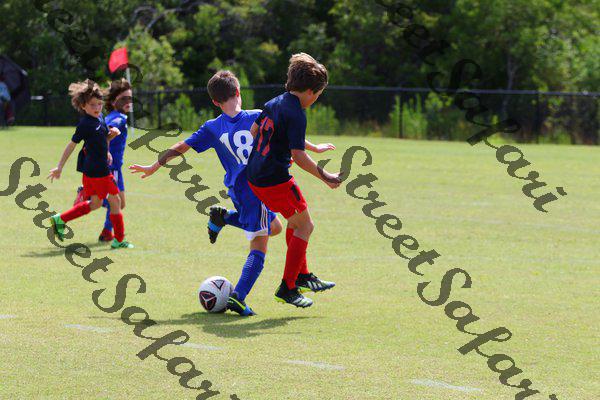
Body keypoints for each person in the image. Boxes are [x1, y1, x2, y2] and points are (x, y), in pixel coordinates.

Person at [129, 70, 335, 315]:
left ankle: (224, 217)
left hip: (238, 189)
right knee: (260, 244)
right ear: (238, 91)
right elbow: (286, 134)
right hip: (259, 185)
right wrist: (314, 147)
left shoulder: (212, 127)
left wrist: (154, 165)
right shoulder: (256, 115)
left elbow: (181, 146)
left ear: (215, 102)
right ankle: (238, 297)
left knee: (276, 227)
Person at [246, 53, 342, 308]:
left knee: (296, 221)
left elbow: (255, 131)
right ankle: (288, 288)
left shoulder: (275, 102)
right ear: (310, 91)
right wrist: (326, 177)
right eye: (318, 95)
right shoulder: (297, 113)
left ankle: (302, 275)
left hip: (255, 175)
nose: (317, 99)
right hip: (274, 179)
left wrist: (313, 147)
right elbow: (298, 156)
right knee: (305, 226)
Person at [47, 79, 133, 249]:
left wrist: (109, 141)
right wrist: (59, 166)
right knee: (116, 201)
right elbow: (72, 145)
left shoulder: (100, 118)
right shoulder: (85, 124)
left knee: (96, 204)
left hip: (93, 172)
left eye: (99, 104)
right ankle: (119, 240)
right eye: (92, 105)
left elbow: (101, 140)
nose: (97, 108)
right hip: (99, 172)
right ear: (83, 106)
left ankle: (60, 219)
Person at [98, 78, 133, 241]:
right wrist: (110, 132)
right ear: (113, 102)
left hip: (113, 166)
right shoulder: (119, 118)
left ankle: (107, 231)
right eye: (124, 99)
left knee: (117, 203)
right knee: (119, 203)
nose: (128, 102)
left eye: (130, 98)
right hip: (112, 167)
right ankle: (88, 195)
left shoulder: (112, 116)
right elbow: (110, 128)